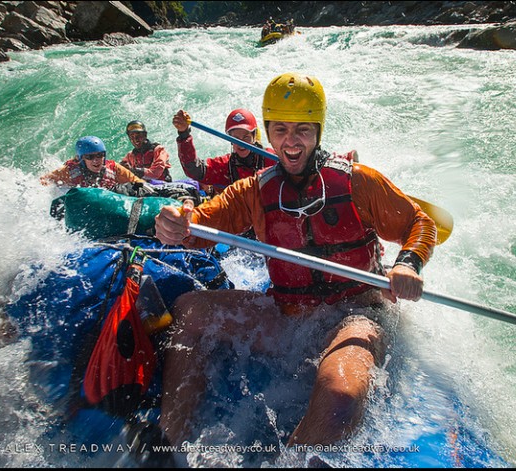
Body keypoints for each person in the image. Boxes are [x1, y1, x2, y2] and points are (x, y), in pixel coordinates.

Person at [154, 72, 437, 448]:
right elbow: (199, 226)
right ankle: (167, 441)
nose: (291, 141)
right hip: (289, 317)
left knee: (340, 394)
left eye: (303, 129)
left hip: (356, 314)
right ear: (268, 134)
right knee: (189, 310)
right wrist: (176, 221)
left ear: (318, 131)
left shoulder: (358, 182)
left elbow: (420, 222)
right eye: (281, 129)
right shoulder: (254, 190)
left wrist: (408, 264)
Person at [172, 108, 277, 197]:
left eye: (246, 138)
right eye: (236, 139)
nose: (241, 144)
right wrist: (184, 133)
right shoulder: (225, 166)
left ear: (254, 137)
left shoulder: (271, 159)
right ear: (230, 140)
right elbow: (194, 169)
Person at [41, 135, 144, 189]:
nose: (96, 160)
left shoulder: (113, 169)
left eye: (99, 155)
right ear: (82, 159)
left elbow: (137, 182)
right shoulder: (70, 171)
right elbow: (45, 180)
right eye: (90, 157)